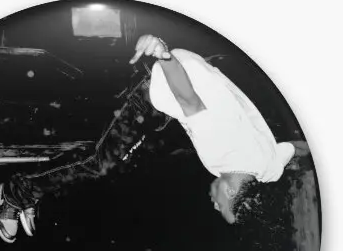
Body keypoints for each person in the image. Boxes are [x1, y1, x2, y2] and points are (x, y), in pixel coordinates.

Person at [130, 34, 310, 225]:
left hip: (204, 73)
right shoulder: (219, 155)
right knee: (152, 103)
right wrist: (163, 55)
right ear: (231, 191)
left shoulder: (269, 170)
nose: (214, 205)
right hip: (178, 74)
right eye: (221, 207)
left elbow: (295, 148)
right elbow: (189, 100)